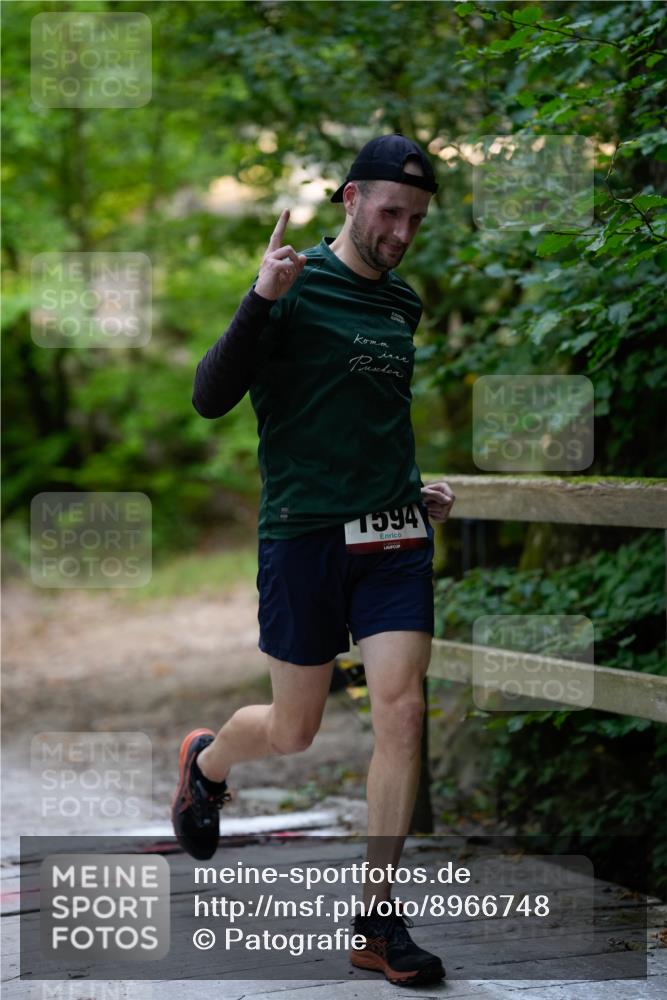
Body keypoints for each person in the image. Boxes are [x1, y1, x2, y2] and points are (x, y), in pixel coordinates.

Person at [172, 134, 456, 986]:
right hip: (302, 536)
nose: (402, 232)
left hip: (393, 539)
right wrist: (259, 299)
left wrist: (410, 486)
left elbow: (374, 415)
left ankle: (375, 923)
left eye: (416, 219)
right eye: (391, 213)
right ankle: (207, 764)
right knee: (293, 731)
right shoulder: (292, 286)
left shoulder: (401, 304)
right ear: (350, 200)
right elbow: (210, 396)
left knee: (400, 712)